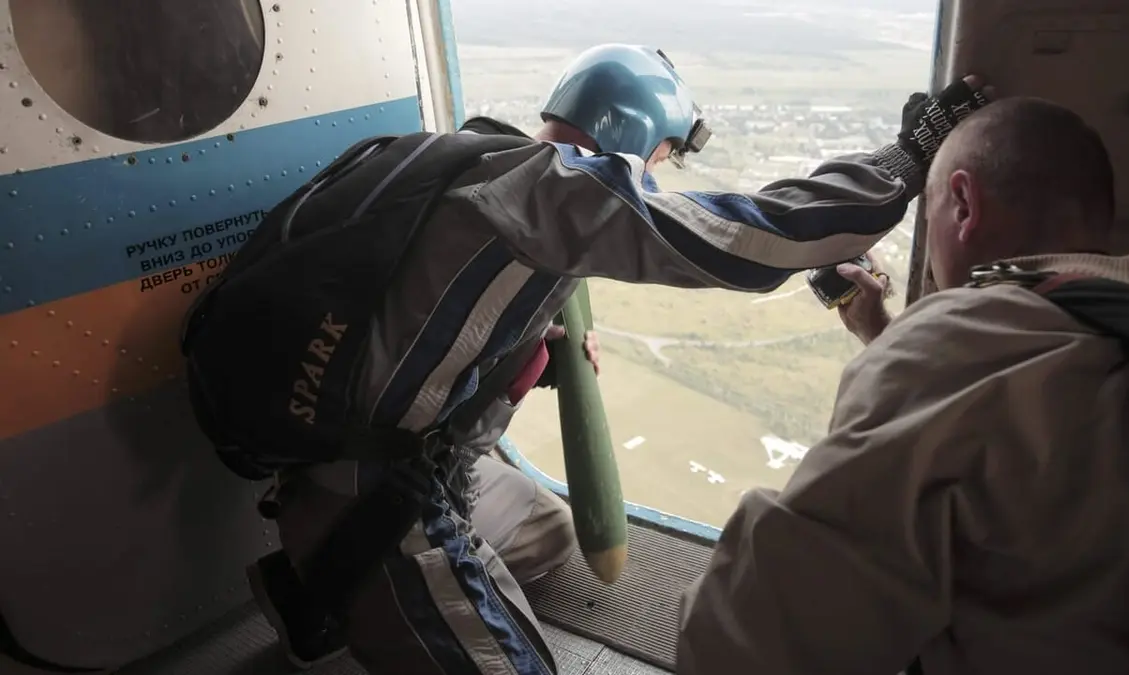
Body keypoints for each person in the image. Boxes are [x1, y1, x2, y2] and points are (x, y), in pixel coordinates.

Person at [220, 44, 995, 675]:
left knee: (546, 532)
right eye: (658, 157)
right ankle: (339, 579)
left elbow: (428, 341)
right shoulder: (553, 195)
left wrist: (530, 359)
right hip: (374, 499)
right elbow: (752, 238)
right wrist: (904, 159)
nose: (653, 176)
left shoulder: (473, 160)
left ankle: (318, 582)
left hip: (336, 454)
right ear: (631, 139)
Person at [677, 96, 1129, 674]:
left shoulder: (961, 342)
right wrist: (880, 331)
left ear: (964, 204)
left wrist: (910, 350)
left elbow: (745, 644)